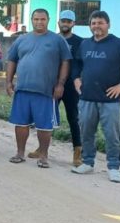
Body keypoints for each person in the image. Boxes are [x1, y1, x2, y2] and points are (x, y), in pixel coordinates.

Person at [71, 10, 120, 183]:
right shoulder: (85, 44)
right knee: (86, 132)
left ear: (108, 24)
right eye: (93, 23)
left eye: (100, 23)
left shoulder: (118, 44)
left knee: (112, 135)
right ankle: (88, 162)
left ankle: (113, 167)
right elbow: (76, 63)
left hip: (109, 101)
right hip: (86, 98)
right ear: (90, 26)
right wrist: (76, 78)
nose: (96, 26)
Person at [5, 9, 72, 168]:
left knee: (44, 126)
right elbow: (12, 61)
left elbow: (65, 62)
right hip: (22, 89)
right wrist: (8, 82)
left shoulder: (57, 40)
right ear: (31, 20)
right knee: (21, 124)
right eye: (36, 19)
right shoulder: (22, 39)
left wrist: (60, 84)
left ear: (48, 20)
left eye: (42, 19)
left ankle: (43, 156)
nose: (39, 22)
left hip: (45, 91)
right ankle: (20, 153)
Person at [29, 10, 83, 166]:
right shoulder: (52, 39)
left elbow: (83, 63)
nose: (65, 24)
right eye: (63, 21)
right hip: (53, 84)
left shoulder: (80, 42)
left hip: (71, 86)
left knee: (73, 118)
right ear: (58, 22)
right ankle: (42, 148)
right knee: (48, 118)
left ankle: (77, 152)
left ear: (73, 23)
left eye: (68, 21)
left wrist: (80, 79)